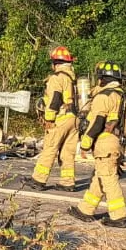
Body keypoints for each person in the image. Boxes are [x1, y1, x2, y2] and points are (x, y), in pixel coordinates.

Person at [70, 62, 126, 228]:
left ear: (103, 79)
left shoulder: (104, 96)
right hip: (116, 141)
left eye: (99, 79)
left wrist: (85, 144)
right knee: (100, 176)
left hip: (105, 142)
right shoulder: (119, 95)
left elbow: (97, 122)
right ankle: (86, 210)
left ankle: (119, 215)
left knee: (109, 177)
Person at [28, 46, 80, 191]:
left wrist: (49, 119)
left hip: (61, 118)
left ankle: (38, 179)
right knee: (67, 152)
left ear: (56, 63)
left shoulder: (57, 78)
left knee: (50, 148)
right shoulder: (74, 79)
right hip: (75, 119)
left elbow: (55, 100)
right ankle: (68, 182)